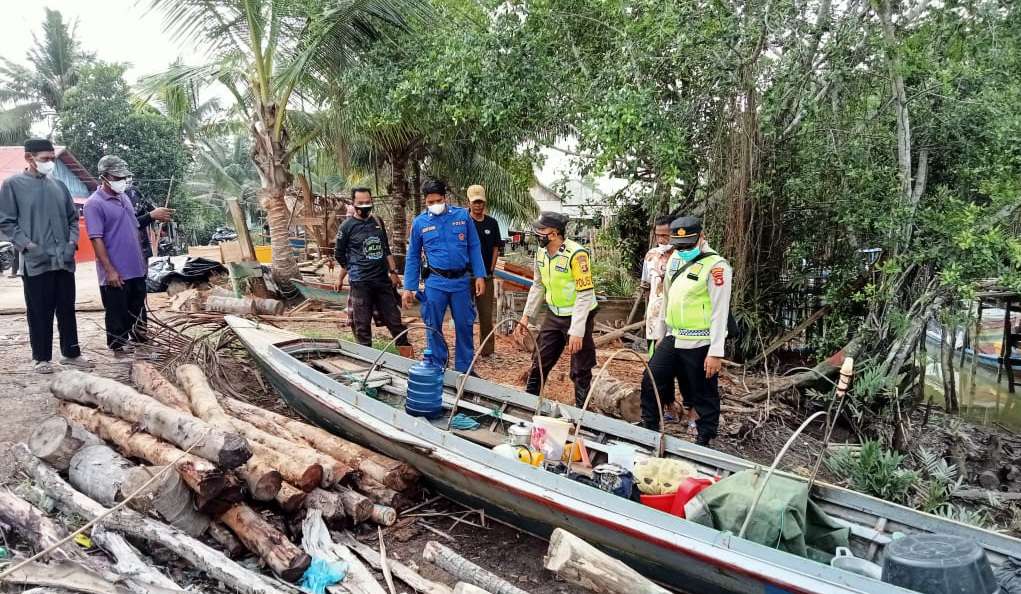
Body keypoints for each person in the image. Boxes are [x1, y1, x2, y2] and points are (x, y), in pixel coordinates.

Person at [0, 138, 93, 373]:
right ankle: (41, 358)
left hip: (63, 260)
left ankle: (71, 353)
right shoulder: (12, 185)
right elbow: (6, 222)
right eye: (45, 159)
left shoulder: (59, 185)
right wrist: (28, 245)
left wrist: (72, 242)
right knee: (39, 311)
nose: (50, 163)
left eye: (52, 158)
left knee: (66, 308)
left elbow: (73, 218)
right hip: (36, 262)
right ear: (29, 158)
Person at [640, 216, 732, 447]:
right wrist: (661, 333)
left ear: (701, 237)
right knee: (652, 377)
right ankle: (649, 425)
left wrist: (716, 351)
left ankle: (704, 436)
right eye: (679, 246)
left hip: (701, 339)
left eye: (688, 245)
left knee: (702, 390)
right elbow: (667, 298)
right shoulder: (674, 261)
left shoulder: (717, 267)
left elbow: (720, 311)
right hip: (674, 335)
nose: (683, 250)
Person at [402, 180, 486, 373]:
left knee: (465, 325)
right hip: (435, 282)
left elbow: (474, 246)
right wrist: (409, 287)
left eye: (438, 200)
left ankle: (464, 369)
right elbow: (413, 256)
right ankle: (438, 365)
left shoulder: (463, 217)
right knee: (433, 325)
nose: (435, 205)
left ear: (445, 198)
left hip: (461, 282)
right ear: (425, 202)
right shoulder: (420, 223)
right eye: (430, 202)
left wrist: (480, 275)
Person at [515, 211, 597, 407]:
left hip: (579, 315)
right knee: (540, 359)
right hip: (554, 313)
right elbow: (538, 285)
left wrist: (577, 330)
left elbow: (584, 294)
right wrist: (526, 317)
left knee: (580, 365)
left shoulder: (577, 255)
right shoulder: (541, 253)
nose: (538, 233)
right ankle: (529, 403)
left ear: (554, 233)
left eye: (542, 230)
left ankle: (581, 412)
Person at [334, 187, 413, 357]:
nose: (364, 205)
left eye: (367, 202)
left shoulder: (377, 221)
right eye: (360, 203)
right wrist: (351, 269)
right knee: (362, 325)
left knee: (395, 322)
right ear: (353, 203)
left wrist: (393, 272)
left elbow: (386, 249)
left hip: (382, 282)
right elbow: (339, 253)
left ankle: (408, 360)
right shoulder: (346, 227)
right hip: (360, 284)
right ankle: (366, 360)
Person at [84, 156, 148, 356]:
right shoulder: (93, 204)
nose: (122, 179)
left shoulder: (125, 197)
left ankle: (141, 344)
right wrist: (110, 270)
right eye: (117, 176)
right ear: (104, 177)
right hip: (116, 271)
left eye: (124, 176)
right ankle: (119, 349)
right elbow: (96, 239)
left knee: (138, 311)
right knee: (117, 313)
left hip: (136, 268)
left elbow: (133, 228)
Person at [467, 185, 503, 356]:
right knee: (465, 315)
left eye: (481, 202)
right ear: (469, 203)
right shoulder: (464, 222)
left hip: (486, 277)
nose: (478, 205)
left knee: (486, 316)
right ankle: (466, 349)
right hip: (467, 276)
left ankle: (487, 351)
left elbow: (496, 247)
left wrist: (491, 268)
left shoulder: (492, 223)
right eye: (475, 202)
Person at [125, 180, 173, 260]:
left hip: (143, 249)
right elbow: (127, 225)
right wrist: (151, 216)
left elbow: (149, 207)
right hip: (127, 252)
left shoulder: (134, 191)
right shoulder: (112, 201)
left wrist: (159, 213)